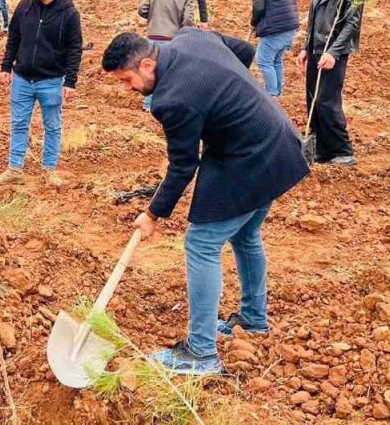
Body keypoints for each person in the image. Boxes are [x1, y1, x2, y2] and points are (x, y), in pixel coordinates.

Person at [102, 29, 307, 375]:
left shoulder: (172, 99)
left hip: (249, 157)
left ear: (148, 63)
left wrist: (152, 214)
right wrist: (223, 101)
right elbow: (244, 51)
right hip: (279, 140)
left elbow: (183, 165)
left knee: (201, 243)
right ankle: (254, 319)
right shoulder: (190, 37)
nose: (127, 89)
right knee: (245, 235)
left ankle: (200, 353)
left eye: (127, 80)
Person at [0, 0, 83, 187]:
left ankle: (49, 170)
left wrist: (70, 81)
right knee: (19, 124)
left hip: (51, 80)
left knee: (52, 126)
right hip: (22, 79)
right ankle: (14, 169)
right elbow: (13, 38)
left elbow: (75, 48)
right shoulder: (24, 7)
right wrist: (6, 66)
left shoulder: (69, 13)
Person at [296, 0, 365, 167]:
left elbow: (352, 24)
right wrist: (306, 47)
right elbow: (314, 19)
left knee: (327, 100)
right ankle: (321, 150)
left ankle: (343, 150)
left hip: (333, 52)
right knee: (313, 99)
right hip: (316, 49)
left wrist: (334, 52)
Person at [246, 0, 299, 97]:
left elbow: (258, 6)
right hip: (290, 23)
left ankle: (271, 94)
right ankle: (277, 92)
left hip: (275, 26)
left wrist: (253, 22)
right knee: (275, 60)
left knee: (263, 60)